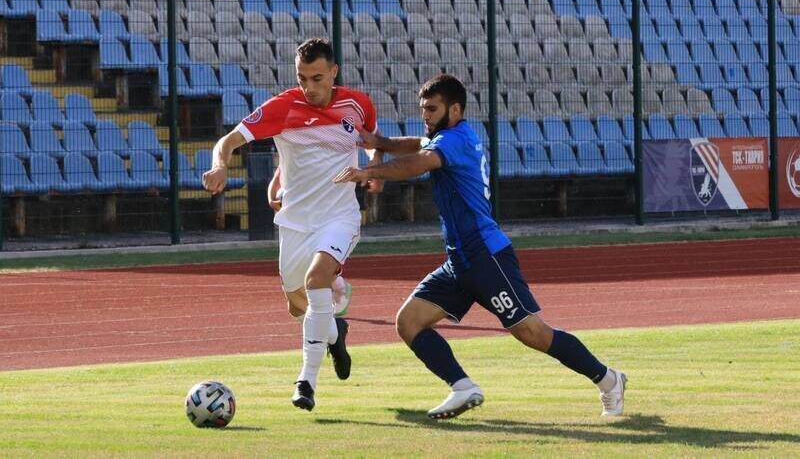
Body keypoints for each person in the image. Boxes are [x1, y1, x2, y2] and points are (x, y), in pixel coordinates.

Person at [334, 74, 626, 420]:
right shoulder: (451, 137)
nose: (425, 115)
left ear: (455, 109)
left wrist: (370, 171)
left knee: (532, 333)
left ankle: (609, 380)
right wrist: (380, 141)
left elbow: (419, 161)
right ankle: (462, 388)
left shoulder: (452, 141)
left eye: (432, 108)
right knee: (409, 321)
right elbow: (417, 145)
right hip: (460, 261)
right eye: (423, 108)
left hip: (487, 257)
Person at [203, 38, 382, 412]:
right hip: (296, 222)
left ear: (333, 72)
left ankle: (306, 381)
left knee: (318, 281)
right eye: (303, 78)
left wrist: (374, 169)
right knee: (297, 304)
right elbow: (229, 139)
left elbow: (372, 141)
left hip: (340, 217)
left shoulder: (358, 104)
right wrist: (220, 165)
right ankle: (336, 332)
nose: (310, 87)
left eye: (317, 78)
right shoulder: (283, 107)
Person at [268, 166, 354, 317]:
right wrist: (271, 199)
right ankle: (327, 329)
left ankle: (339, 288)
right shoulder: (289, 160)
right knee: (295, 296)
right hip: (296, 221)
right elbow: (275, 180)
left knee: (321, 262)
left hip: (322, 219)